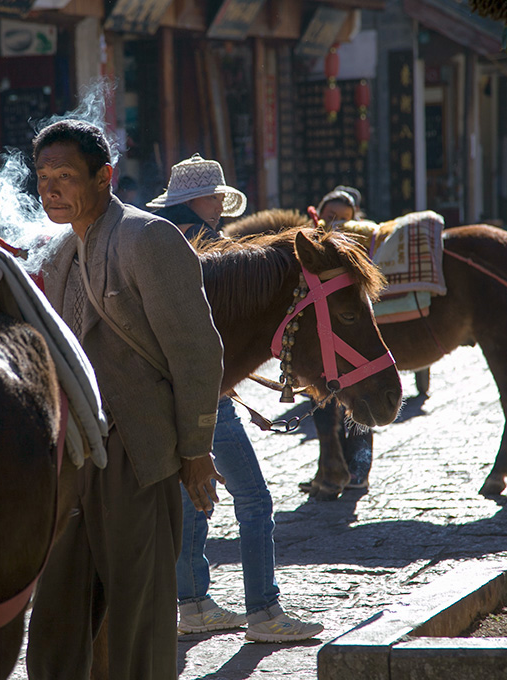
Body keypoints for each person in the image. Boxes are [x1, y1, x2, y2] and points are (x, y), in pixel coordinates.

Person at [25, 120, 225, 679]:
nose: (51, 190)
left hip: (138, 453)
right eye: (43, 178)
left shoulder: (147, 237)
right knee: (58, 617)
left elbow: (196, 352)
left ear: (104, 175)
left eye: (65, 176)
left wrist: (196, 449)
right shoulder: (63, 252)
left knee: (139, 614)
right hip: (74, 457)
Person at [148, 155, 324, 642]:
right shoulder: (203, 246)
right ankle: (264, 611)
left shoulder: (160, 241)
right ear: (194, 200)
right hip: (210, 394)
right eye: (214, 197)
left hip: (179, 393)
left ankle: (193, 603)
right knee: (254, 500)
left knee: (194, 499)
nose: (221, 205)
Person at [312, 184, 375, 490]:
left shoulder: (357, 252)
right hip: (321, 345)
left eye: (344, 220)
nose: (335, 225)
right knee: (324, 410)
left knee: (360, 406)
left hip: (350, 346)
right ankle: (330, 469)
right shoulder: (309, 252)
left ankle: (358, 471)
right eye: (329, 217)